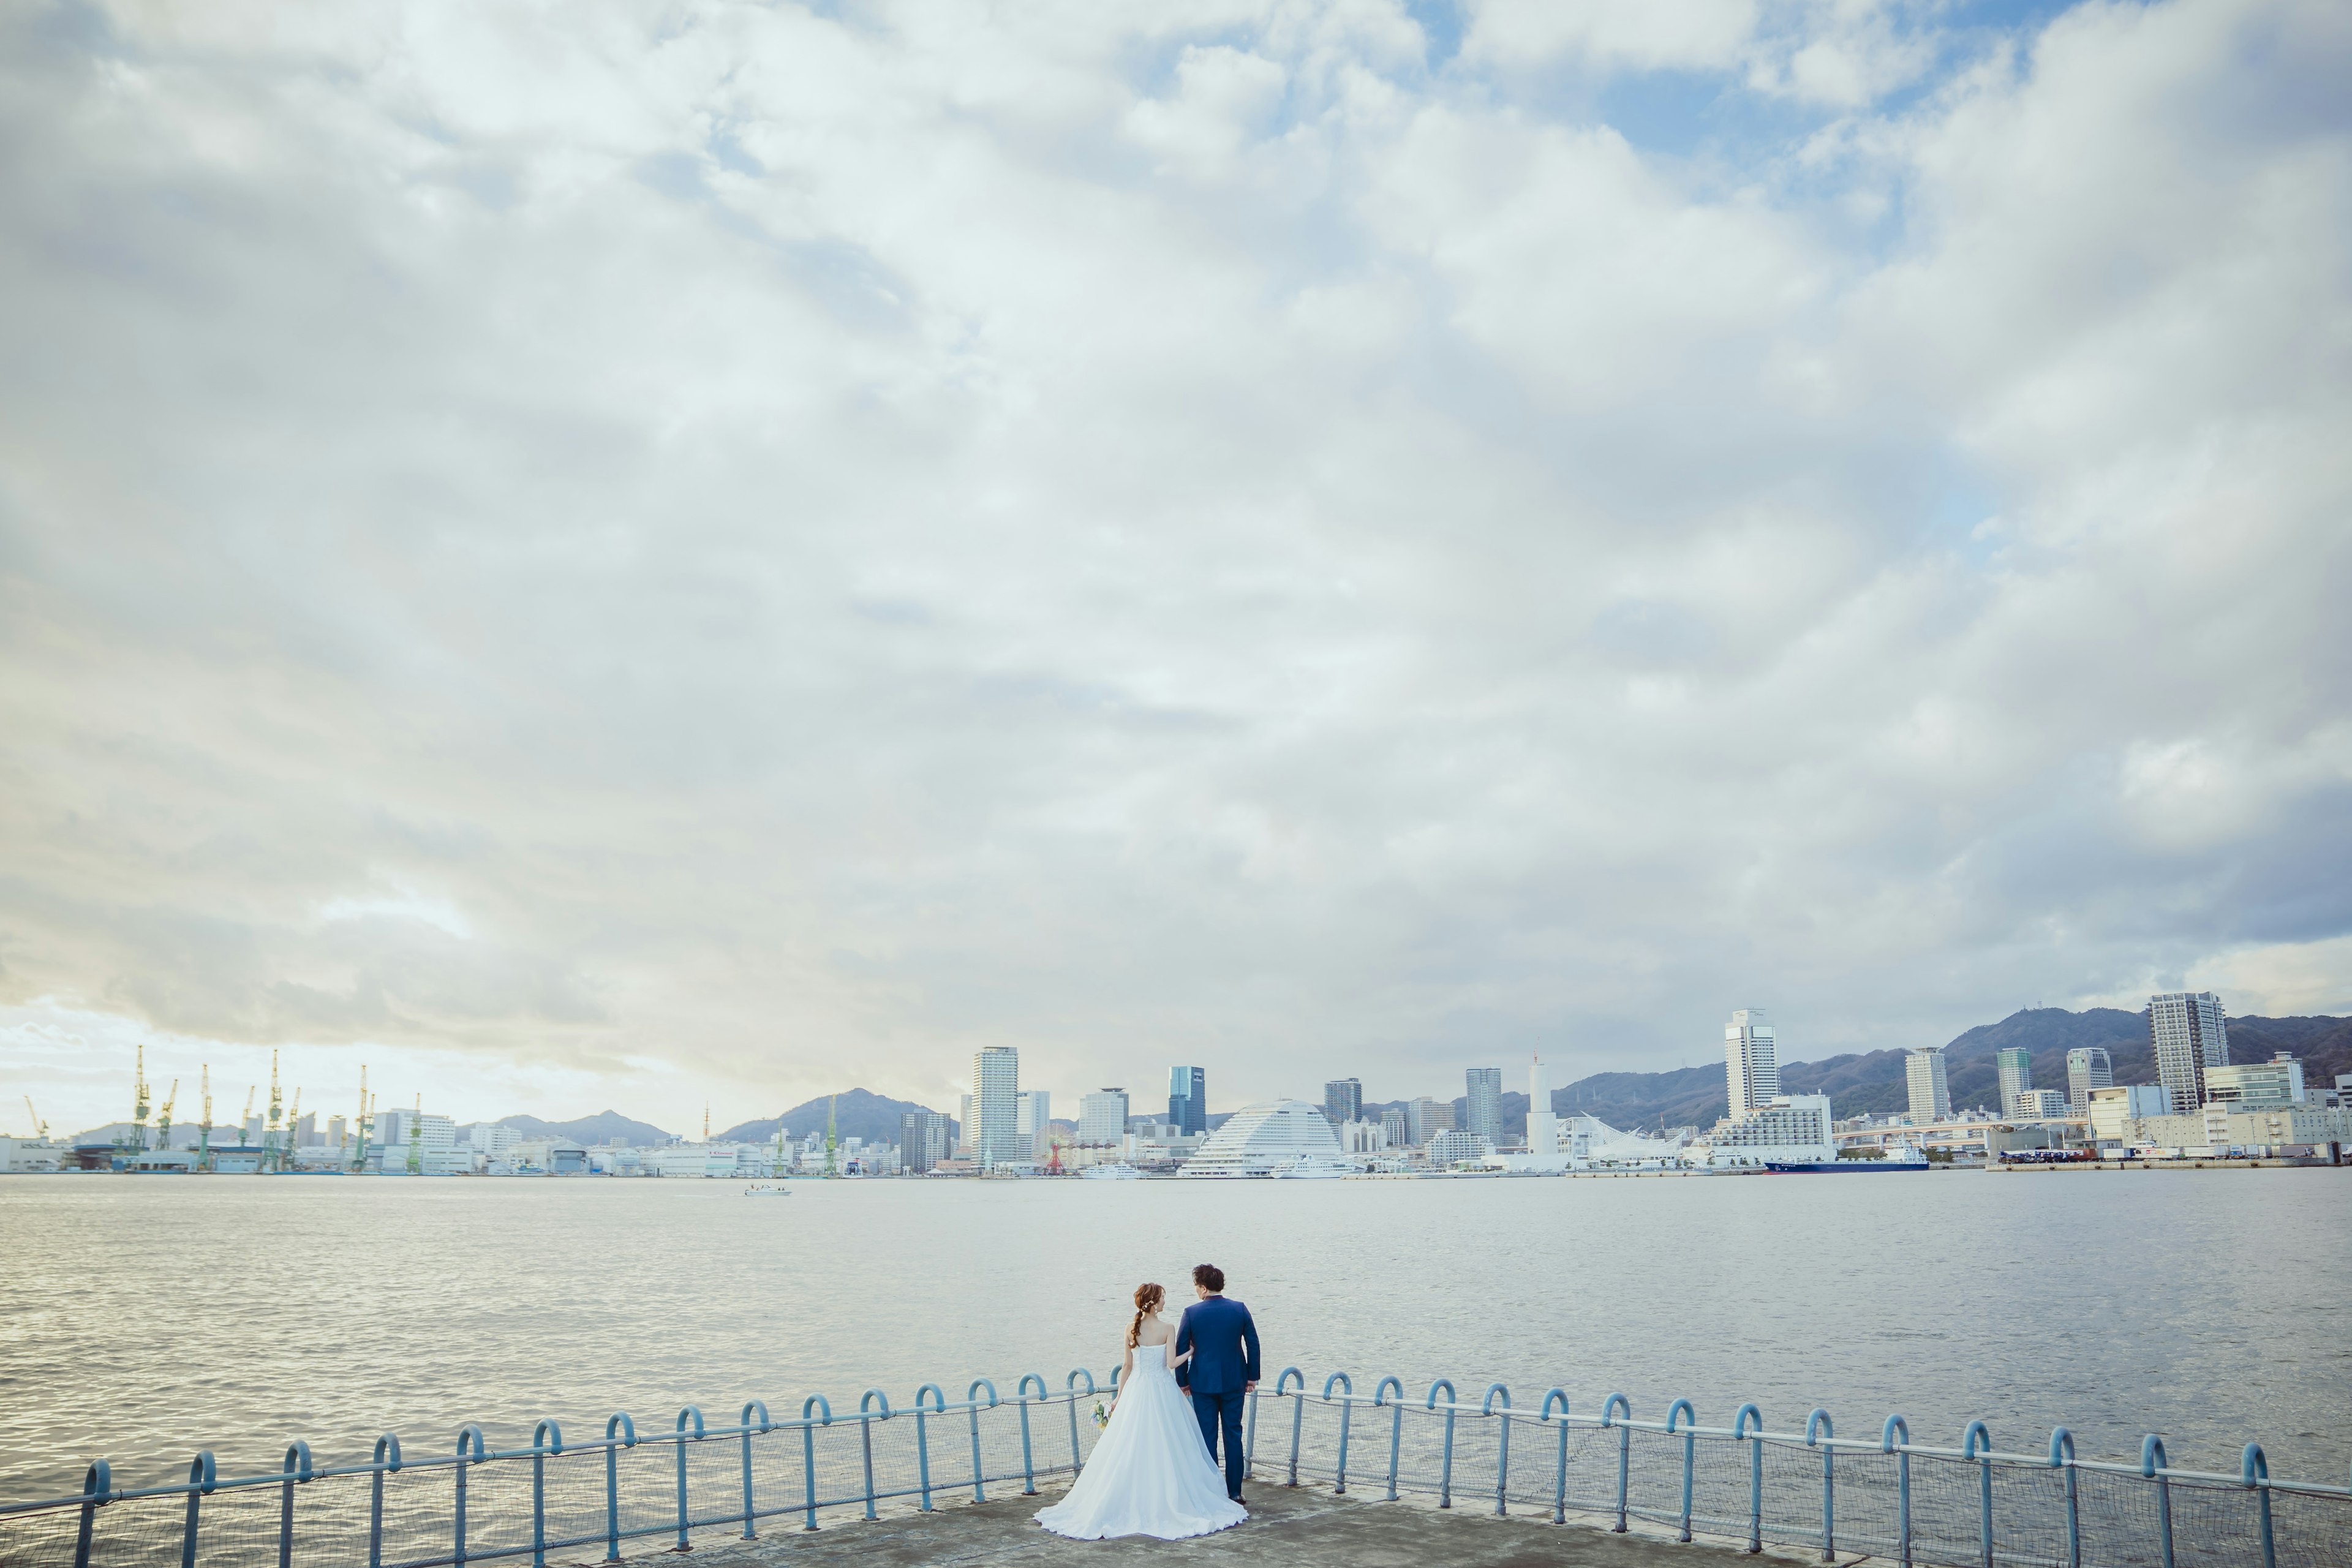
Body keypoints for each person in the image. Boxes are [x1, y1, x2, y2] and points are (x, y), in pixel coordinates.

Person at [1033, 1283, 1248, 1540]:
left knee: (1130, 1445)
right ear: (1155, 1302)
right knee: (1170, 1444)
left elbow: (1127, 1366)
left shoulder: (1129, 1328)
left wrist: (1119, 1399)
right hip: (1162, 1391)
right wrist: (1190, 1352)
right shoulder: (1167, 1328)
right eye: (1163, 1299)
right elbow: (1170, 1364)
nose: (1165, 1303)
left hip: (1136, 1389)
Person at [1174, 1262, 1259, 1502]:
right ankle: (1235, 1492)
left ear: (1202, 1288)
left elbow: (1181, 1348)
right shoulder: (1239, 1309)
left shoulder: (1191, 1313)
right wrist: (1252, 1376)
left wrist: (1182, 1382)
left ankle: (1211, 1492)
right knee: (1233, 1435)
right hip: (1235, 1381)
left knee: (1207, 1437)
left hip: (1202, 1384)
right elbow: (1253, 1344)